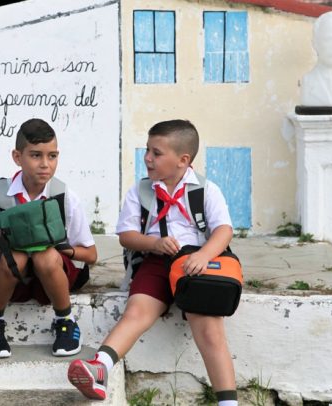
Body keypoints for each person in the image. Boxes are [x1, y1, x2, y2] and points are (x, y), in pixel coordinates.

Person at [67, 120, 238, 405]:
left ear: (183, 160)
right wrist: (154, 244)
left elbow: (224, 230)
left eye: (156, 153)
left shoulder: (206, 190)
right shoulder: (141, 191)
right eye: (148, 150)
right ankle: (99, 367)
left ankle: (228, 402)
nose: (147, 158)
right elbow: (127, 236)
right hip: (157, 262)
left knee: (209, 330)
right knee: (136, 312)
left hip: (197, 264)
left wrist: (204, 255)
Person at [0, 118, 97, 358]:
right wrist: (9, 234)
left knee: (44, 255)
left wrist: (63, 248)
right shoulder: (0, 194)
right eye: (35, 155)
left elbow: (91, 254)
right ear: (17, 156)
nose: (45, 165)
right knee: (18, 254)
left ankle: (65, 321)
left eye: (52, 156)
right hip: (15, 279)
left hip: (54, 278)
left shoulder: (64, 196)